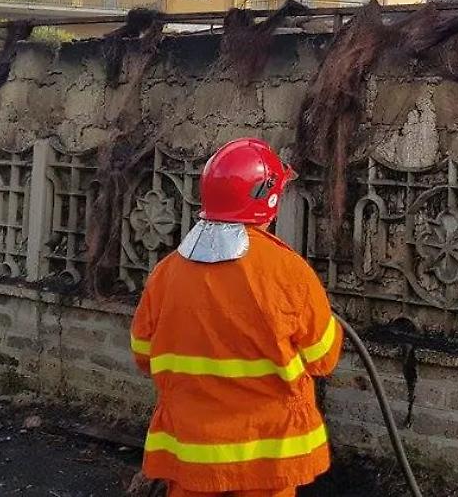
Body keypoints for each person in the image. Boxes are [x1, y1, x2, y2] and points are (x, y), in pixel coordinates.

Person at [130, 138, 342, 497]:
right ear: (268, 200)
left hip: (192, 457)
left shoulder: (165, 274)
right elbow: (323, 359)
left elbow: (143, 355)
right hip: (268, 458)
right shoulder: (288, 272)